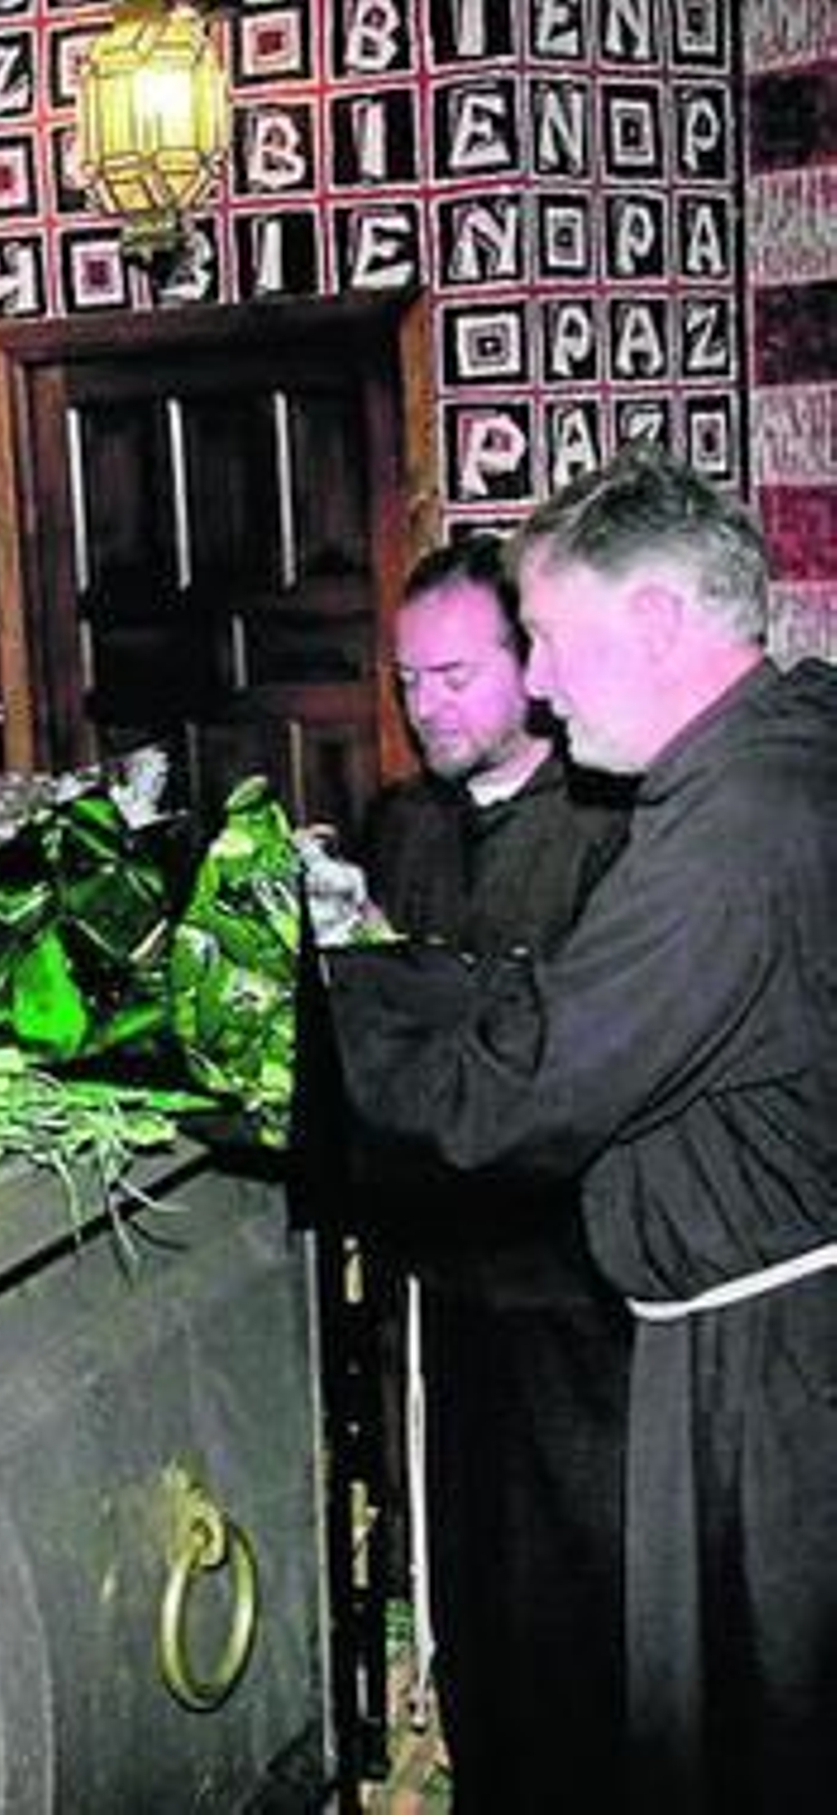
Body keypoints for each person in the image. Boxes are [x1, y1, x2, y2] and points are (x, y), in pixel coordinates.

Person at [329, 440, 837, 1812]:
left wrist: (317, 1016)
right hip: (748, 1337)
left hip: (767, 1371)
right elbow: (568, 997)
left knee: (758, 1727)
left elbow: (521, 1089)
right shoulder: (772, 758)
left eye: (547, 639)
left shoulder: (737, 828)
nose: (540, 683)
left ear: (656, 620)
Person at [357, 536, 632, 1814]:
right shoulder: (402, 826)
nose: (426, 708)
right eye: (408, 681)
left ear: (530, 668)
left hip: (576, 1279)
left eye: (455, 677)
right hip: (443, 1273)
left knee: (580, 1563)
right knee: (463, 1560)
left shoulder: (607, 821)